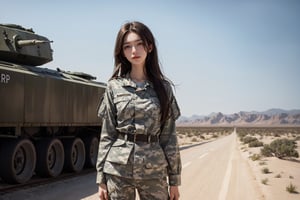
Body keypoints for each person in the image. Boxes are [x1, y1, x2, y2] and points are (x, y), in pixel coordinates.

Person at [96, 21, 181, 200]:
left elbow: (169, 137)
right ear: (122, 51)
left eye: (139, 44)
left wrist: (174, 180)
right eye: (127, 47)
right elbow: (107, 134)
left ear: (149, 47)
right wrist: (101, 178)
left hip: (154, 170)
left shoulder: (163, 89)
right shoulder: (114, 87)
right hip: (118, 170)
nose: (134, 51)